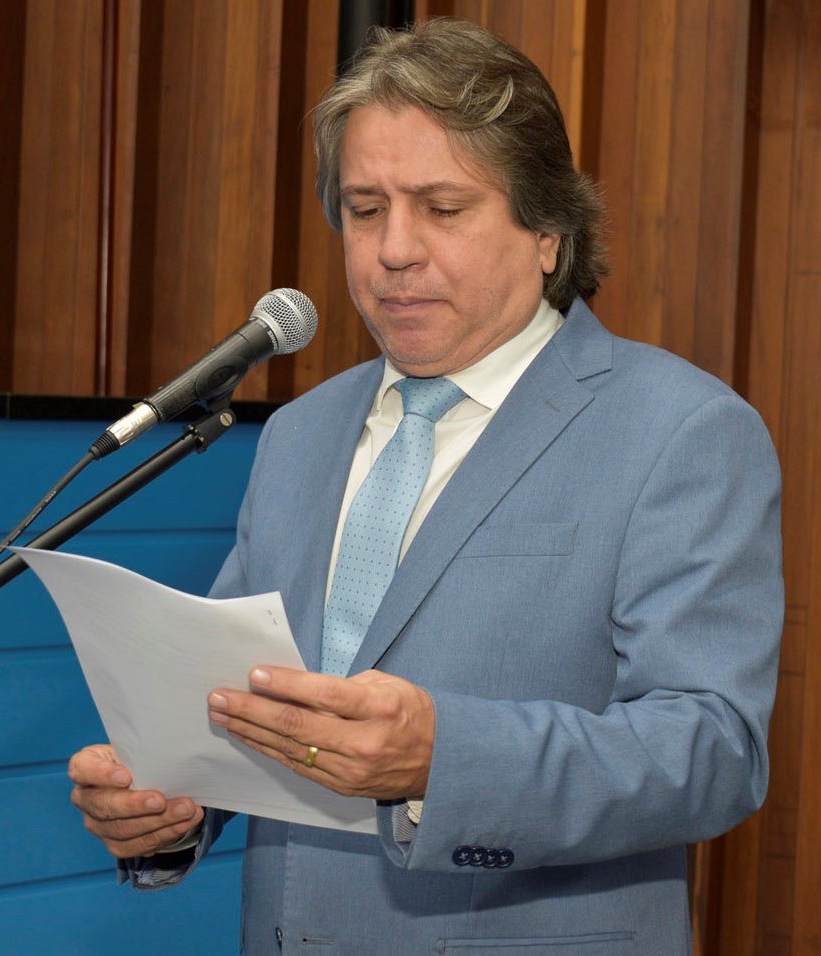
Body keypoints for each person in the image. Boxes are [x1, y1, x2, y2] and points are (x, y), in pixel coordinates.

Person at [69, 18, 782, 954]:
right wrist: (170, 808)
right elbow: (246, 708)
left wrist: (445, 761)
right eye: (365, 209)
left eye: (442, 209)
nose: (393, 249)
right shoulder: (298, 434)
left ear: (547, 231)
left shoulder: (679, 431)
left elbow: (713, 750)